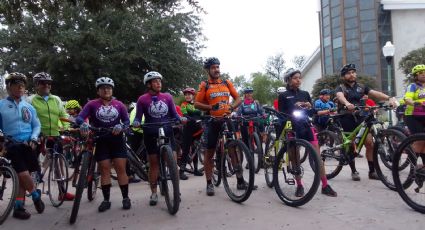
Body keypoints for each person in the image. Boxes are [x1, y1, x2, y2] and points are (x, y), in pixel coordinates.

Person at [195, 57, 249, 196]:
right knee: (209, 152)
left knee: (233, 149)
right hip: (212, 121)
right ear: (208, 70)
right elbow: (197, 104)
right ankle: (209, 183)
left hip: (226, 119)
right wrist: (211, 106)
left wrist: (231, 107)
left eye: (218, 67)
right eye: (213, 67)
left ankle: (240, 180)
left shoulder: (226, 83)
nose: (216, 69)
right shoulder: (205, 85)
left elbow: (238, 98)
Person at [278, 69, 337, 197]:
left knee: (317, 156)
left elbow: (311, 112)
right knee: (295, 158)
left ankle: (325, 185)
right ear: (288, 80)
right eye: (295, 78)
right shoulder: (283, 95)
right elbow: (281, 115)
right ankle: (299, 185)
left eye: (300, 78)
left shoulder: (305, 93)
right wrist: (295, 107)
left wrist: (309, 107)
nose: (298, 80)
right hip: (292, 127)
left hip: (305, 125)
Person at [76, 77, 132, 212]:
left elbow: (126, 121)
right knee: (105, 169)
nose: (106, 90)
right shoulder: (92, 104)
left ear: (112, 90)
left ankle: (126, 198)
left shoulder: (119, 104)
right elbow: (79, 117)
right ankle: (106, 200)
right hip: (100, 140)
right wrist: (83, 123)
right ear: (98, 91)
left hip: (117, 140)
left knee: (120, 169)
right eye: (103, 88)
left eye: (109, 88)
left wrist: (121, 125)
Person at [335, 63, 397, 181]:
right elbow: (340, 96)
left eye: (353, 72)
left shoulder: (362, 87)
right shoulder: (341, 88)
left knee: (370, 143)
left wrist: (389, 98)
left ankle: (372, 171)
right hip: (347, 117)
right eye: (348, 73)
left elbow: (375, 93)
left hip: (361, 116)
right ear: (344, 76)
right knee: (351, 144)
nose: (352, 74)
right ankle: (354, 171)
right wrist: (347, 103)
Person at [132, 71, 186, 206]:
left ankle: (176, 191)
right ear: (149, 84)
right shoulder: (142, 99)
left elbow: (174, 114)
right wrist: (137, 122)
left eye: (160, 81)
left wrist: (180, 119)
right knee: (154, 164)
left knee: (173, 163)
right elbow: (138, 116)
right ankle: (154, 192)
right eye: (155, 81)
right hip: (150, 132)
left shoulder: (167, 97)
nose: (158, 84)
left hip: (167, 131)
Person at [0, 72, 45, 219]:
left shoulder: (28, 106)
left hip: (28, 145)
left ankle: (18, 207)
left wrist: (33, 138)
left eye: (22, 85)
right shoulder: (1, 105)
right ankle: (35, 196)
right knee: (23, 173)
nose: (20, 88)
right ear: (8, 87)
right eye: (16, 85)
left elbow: (36, 125)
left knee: (23, 177)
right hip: (11, 144)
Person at [27, 72, 75, 201]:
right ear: (37, 85)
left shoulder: (56, 99)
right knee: (33, 165)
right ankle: (32, 190)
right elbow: (27, 119)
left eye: (49, 83)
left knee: (58, 165)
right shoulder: (30, 100)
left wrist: (67, 128)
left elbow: (63, 115)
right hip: (38, 137)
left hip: (54, 135)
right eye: (43, 83)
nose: (47, 85)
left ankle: (61, 192)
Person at [179, 87, 204, 180]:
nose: (187, 96)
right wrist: (193, 119)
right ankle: (181, 172)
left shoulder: (197, 104)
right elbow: (184, 115)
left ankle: (196, 170)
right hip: (188, 130)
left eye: (189, 94)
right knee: (185, 150)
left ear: (193, 96)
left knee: (195, 150)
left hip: (198, 130)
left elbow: (202, 114)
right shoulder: (184, 104)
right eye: (186, 95)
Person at [403, 64, 425, 156]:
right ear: (416, 76)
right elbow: (407, 98)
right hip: (412, 116)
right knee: (420, 139)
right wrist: (414, 103)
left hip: (423, 115)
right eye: (420, 73)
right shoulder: (412, 86)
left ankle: (423, 166)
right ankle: (412, 165)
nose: (423, 74)